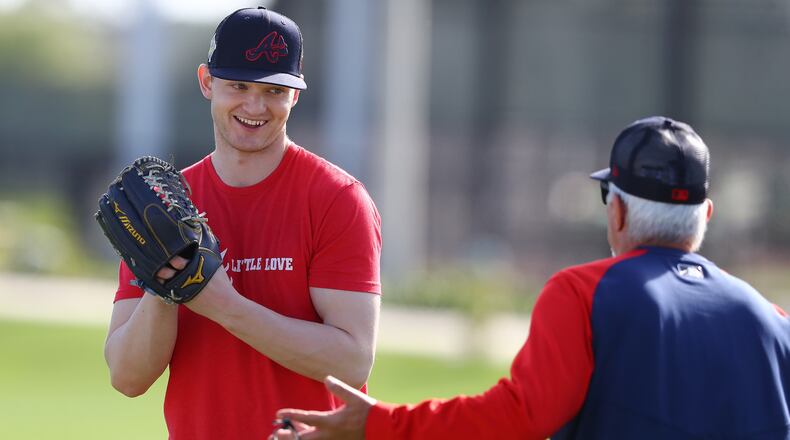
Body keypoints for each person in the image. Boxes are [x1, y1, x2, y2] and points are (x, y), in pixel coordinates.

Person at [274, 116, 790, 439]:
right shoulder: (773, 321)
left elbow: (524, 416)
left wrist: (383, 423)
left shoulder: (585, 293)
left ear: (617, 213)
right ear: (707, 215)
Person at [104, 7, 382, 440]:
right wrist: (167, 286)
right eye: (239, 85)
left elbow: (351, 361)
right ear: (206, 82)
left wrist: (223, 305)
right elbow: (127, 377)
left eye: (274, 90)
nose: (255, 105)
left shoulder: (337, 200)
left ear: (295, 96)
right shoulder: (166, 206)